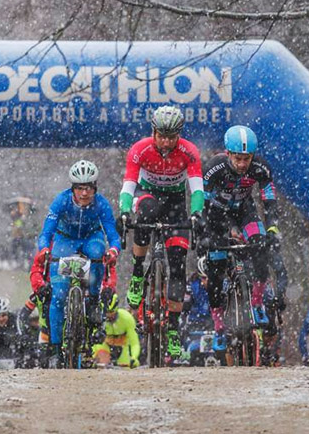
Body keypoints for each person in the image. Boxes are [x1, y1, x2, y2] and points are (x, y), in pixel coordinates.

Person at [119, 105, 204, 359]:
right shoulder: (140, 149)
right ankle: (137, 272)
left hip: (176, 202)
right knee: (146, 213)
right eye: (162, 135)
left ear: (179, 134)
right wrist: (124, 210)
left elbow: (197, 188)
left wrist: (197, 213)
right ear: (153, 132)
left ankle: (174, 328)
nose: (166, 142)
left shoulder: (189, 152)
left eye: (171, 136)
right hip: (146, 195)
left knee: (177, 265)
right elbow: (128, 184)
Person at [199, 125, 285, 351]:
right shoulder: (213, 168)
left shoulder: (261, 168)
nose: (242, 164)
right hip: (216, 215)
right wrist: (205, 234)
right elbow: (203, 205)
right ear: (228, 153)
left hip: (244, 210)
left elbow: (269, 202)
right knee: (215, 269)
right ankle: (218, 327)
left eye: (246, 159)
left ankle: (256, 303)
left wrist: (273, 230)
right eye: (237, 158)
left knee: (261, 247)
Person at [30, 159, 120, 367]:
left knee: (98, 252)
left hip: (91, 238)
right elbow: (46, 232)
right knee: (59, 296)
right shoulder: (60, 201)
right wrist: (44, 249)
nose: (84, 193)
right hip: (65, 240)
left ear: (94, 187)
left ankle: (94, 301)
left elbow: (113, 235)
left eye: (88, 188)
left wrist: (114, 250)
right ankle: (54, 348)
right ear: (73, 188)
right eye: (80, 188)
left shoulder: (102, 204)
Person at [92, 292, 141, 368]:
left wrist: (134, 357)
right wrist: (94, 356)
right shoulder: (98, 319)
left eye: (111, 312)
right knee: (102, 360)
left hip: (122, 349)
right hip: (104, 348)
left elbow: (134, 343)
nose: (108, 315)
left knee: (127, 367)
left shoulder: (126, 318)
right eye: (106, 313)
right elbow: (94, 342)